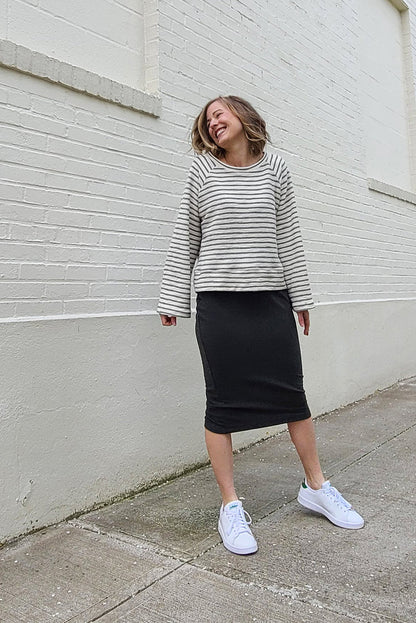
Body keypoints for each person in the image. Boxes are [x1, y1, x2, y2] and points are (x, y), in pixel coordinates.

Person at [157, 95, 364, 555]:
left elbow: (288, 236)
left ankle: (316, 487)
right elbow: (186, 235)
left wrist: (301, 298)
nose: (213, 122)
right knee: (222, 403)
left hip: (271, 302)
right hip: (219, 306)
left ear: (243, 116)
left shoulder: (275, 169)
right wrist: (173, 297)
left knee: (292, 396)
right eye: (207, 120)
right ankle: (230, 506)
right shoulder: (202, 171)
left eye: (220, 113)